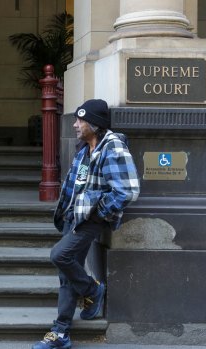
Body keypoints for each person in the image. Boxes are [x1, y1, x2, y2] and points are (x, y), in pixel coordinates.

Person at [33, 99, 140, 349]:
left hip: (91, 219)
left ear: (94, 123)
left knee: (60, 256)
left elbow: (128, 190)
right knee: (66, 274)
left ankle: (92, 290)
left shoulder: (112, 147)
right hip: (76, 216)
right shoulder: (85, 149)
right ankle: (61, 332)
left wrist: (99, 212)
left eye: (80, 120)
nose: (75, 125)